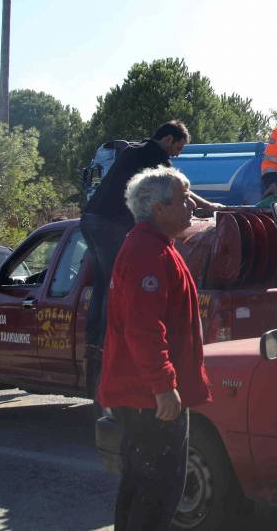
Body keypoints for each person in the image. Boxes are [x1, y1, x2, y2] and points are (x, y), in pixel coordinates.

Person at [98, 167, 211, 531]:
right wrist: (163, 386)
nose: (191, 205)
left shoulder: (156, 247)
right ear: (158, 208)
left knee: (143, 490)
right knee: (156, 493)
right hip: (150, 400)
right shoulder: (148, 251)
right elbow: (144, 328)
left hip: (146, 397)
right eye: (183, 198)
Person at [81, 121, 220, 385]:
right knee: (114, 284)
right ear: (167, 139)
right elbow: (180, 189)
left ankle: (94, 339)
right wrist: (209, 205)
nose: (177, 154)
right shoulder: (155, 157)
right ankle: (107, 341)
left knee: (102, 281)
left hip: (90, 218)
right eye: (178, 147)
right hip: (109, 222)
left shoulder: (133, 151)